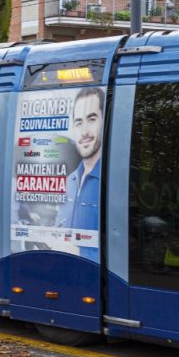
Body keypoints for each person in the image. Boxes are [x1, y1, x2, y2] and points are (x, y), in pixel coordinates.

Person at [55, 87, 104, 262]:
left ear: (103, 122)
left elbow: (122, 252)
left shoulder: (110, 183)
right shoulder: (69, 182)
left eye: (91, 119)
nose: (84, 132)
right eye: (78, 122)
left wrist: (81, 254)